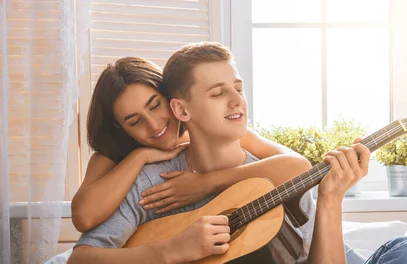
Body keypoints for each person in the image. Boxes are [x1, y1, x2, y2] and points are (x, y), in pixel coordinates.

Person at [64, 42, 407, 264]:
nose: (237, 100)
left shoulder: (272, 177)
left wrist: (331, 197)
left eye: (238, 88)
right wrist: (175, 248)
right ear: (183, 108)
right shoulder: (150, 178)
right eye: (217, 92)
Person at [70, 57, 313, 233]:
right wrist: (140, 157)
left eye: (155, 106)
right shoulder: (113, 155)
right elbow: (84, 217)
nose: (154, 126)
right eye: (135, 122)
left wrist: (206, 182)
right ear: (119, 128)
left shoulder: (206, 132)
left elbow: (298, 167)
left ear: (174, 102)